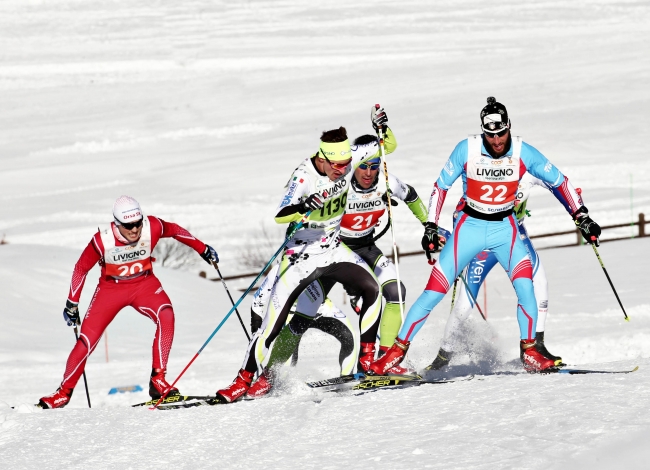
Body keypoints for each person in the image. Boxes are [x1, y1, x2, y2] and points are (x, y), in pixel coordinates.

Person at [369, 97, 601, 375]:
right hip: (470, 228)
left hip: (506, 228)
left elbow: (559, 182)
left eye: (501, 133)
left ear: (509, 127)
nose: (497, 140)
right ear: (483, 131)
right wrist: (431, 224)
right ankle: (393, 355)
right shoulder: (466, 148)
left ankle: (530, 353)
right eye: (490, 135)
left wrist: (582, 216)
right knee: (434, 291)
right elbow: (440, 187)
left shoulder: (523, 151)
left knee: (526, 287)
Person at [214, 107, 395, 403]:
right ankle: (244, 379)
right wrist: (303, 206)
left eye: (347, 163)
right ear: (322, 158)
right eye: (336, 166)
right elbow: (280, 215)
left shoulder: (345, 159)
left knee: (372, 288)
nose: (344, 170)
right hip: (300, 257)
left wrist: (382, 127)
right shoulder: (303, 177)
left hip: (333, 249)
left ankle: (367, 360)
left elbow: (386, 147)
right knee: (273, 326)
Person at [244, 146, 446, 398]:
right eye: (364, 166)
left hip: (366, 249)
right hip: (332, 250)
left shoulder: (385, 180)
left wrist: (429, 226)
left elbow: (412, 195)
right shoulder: (340, 182)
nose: (369, 172)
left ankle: (383, 360)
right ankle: (269, 375)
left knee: (395, 291)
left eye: (374, 166)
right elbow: (306, 207)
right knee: (303, 316)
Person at [37, 196, 219, 409]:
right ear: (117, 223)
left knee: (166, 314)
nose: (134, 230)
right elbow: (80, 269)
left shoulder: (152, 226)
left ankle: (158, 380)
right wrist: (72, 303)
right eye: (128, 225)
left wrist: (202, 248)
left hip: (144, 284)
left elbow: (176, 230)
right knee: (86, 342)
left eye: (137, 223)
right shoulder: (102, 240)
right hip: (110, 290)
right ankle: (62, 394)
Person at [427, 172, 578, 370]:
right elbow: (460, 211)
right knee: (464, 305)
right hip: (484, 245)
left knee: (539, 283)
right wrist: (452, 239)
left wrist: (577, 209)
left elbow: (559, 185)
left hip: (516, 237)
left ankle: (535, 348)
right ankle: (442, 359)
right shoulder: (486, 171)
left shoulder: (528, 171)